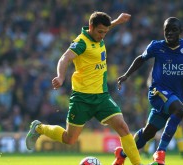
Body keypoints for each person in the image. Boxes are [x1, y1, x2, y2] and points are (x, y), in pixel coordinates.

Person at [25, 11, 142, 165]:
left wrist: (118, 21)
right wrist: (60, 76)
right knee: (69, 139)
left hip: (102, 97)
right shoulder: (81, 43)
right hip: (82, 99)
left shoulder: (99, 33)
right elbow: (64, 58)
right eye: (100, 32)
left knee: (123, 127)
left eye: (105, 32)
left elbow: (105, 27)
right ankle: (38, 128)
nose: (102, 36)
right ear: (91, 27)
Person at [113, 17, 183, 165]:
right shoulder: (156, 46)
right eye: (167, 30)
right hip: (157, 92)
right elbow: (141, 58)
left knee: (148, 133)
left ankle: (121, 154)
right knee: (180, 111)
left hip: (174, 96)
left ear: (180, 31)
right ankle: (160, 153)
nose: (170, 33)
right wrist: (126, 75)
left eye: (174, 30)